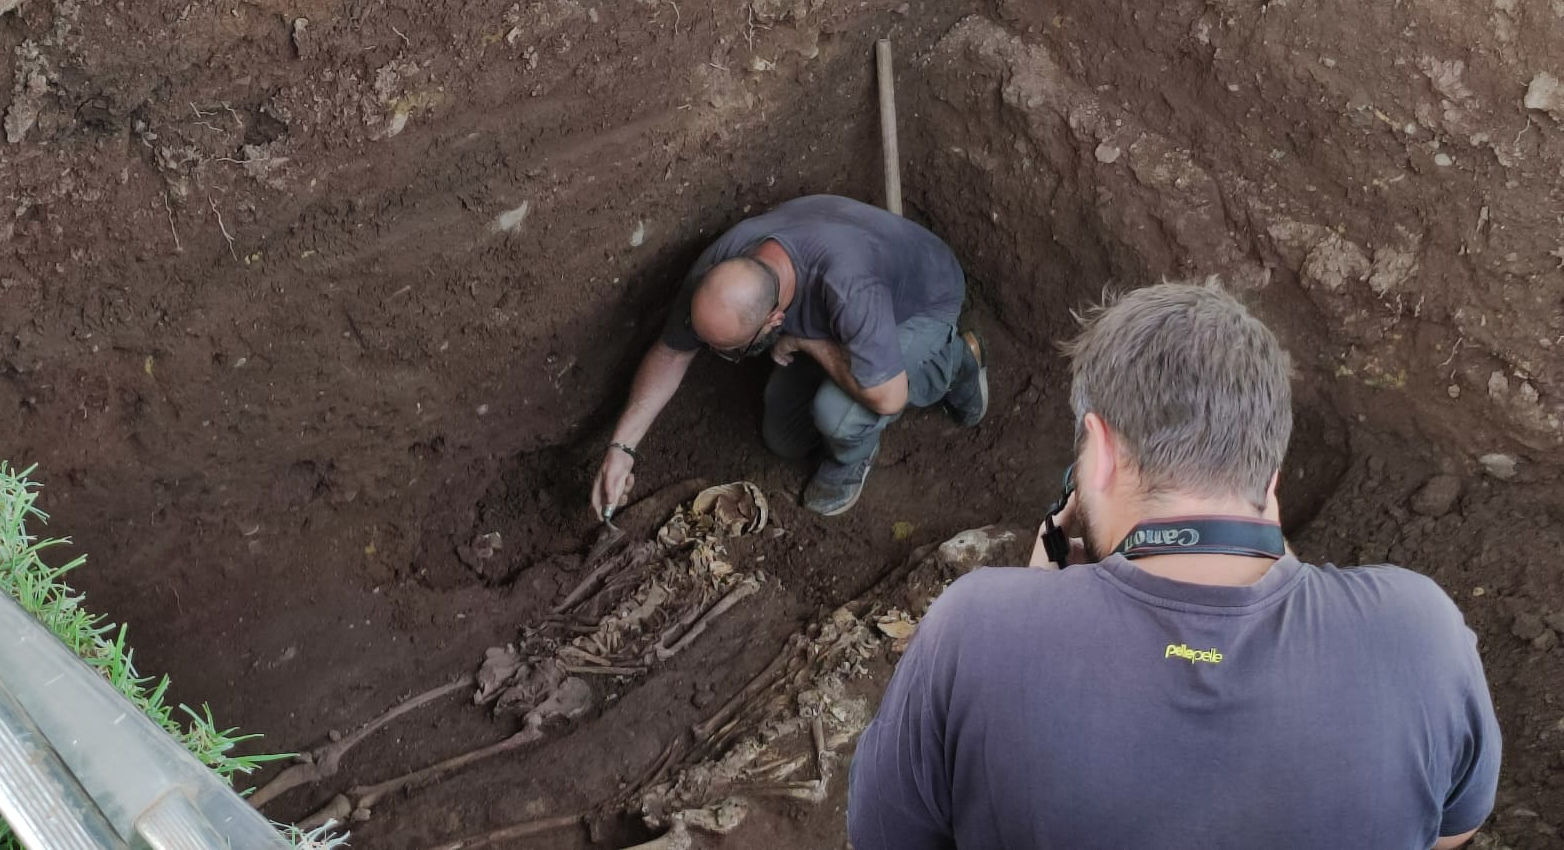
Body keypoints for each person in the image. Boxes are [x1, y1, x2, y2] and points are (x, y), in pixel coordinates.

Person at [847, 281, 1500, 849]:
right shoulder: (1419, 635)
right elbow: (1448, 829)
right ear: (1269, 468)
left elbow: (883, 838)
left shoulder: (979, 630)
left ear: (1099, 451)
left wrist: (1036, 607)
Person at [590, 195, 988, 518]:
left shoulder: (849, 286)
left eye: (733, 351)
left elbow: (890, 398)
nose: (713, 356)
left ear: (775, 320)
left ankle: (952, 361)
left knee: (837, 414)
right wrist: (621, 448)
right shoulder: (722, 270)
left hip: (920, 301)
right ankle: (870, 360)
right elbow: (672, 354)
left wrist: (807, 343)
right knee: (784, 439)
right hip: (845, 303)